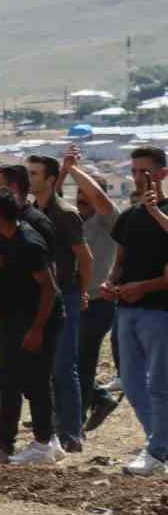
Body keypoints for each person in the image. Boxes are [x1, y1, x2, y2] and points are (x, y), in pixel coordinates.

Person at [0, 188, 64, 464]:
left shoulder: (29, 242)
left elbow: (49, 289)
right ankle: (8, 443)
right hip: (13, 319)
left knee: (36, 379)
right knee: (10, 378)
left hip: (39, 319)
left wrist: (38, 329)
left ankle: (43, 445)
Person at [102, 146, 168, 477]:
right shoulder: (129, 217)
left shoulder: (164, 214)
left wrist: (142, 287)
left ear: (162, 174)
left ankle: (157, 450)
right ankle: (158, 442)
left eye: (145, 171)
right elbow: (120, 262)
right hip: (126, 309)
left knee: (159, 383)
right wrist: (110, 282)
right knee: (130, 381)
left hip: (159, 311)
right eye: (134, 171)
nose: (138, 177)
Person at [27, 153, 91, 451]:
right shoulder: (30, 212)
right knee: (45, 367)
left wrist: (83, 291)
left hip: (65, 294)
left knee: (65, 367)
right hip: (41, 297)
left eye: (35, 174)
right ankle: (53, 429)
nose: (30, 179)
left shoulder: (65, 213)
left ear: (50, 179)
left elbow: (85, 257)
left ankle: (72, 433)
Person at [63, 149, 122, 431]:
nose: (81, 199)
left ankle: (74, 421)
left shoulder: (109, 220)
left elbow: (99, 198)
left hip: (97, 303)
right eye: (78, 196)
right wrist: (65, 172)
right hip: (73, 299)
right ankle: (96, 399)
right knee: (66, 359)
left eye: (86, 194)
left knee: (82, 362)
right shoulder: (74, 219)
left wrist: (75, 171)